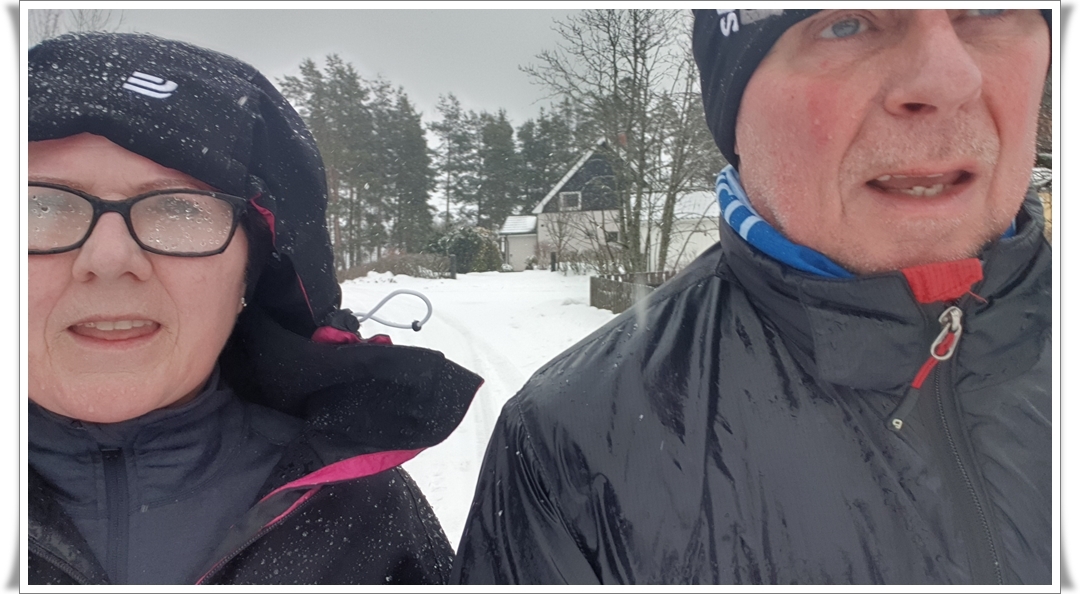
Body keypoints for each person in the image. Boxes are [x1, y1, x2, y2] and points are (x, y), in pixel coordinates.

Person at [452, 9, 1052, 585]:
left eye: (990, 8)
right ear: (734, 110)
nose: (950, 79)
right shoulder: (569, 445)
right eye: (845, 23)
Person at [27, 32, 482, 585]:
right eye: (41, 204)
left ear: (252, 269)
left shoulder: (362, 508)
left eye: (179, 208)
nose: (108, 258)